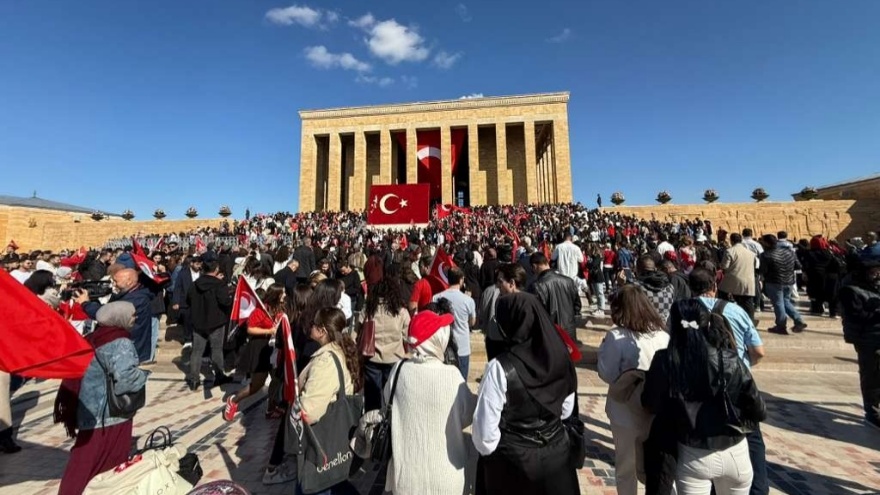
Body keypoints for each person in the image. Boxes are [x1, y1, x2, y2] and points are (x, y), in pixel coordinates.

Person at [642, 299, 767, 495]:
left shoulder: (665, 360)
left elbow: (650, 403)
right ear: (707, 323)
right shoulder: (730, 359)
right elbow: (758, 409)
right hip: (734, 449)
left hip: (693, 452)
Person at [473, 292, 579, 494]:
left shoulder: (500, 368)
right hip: (556, 454)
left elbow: (485, 437)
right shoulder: (560, 357)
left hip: (514, 462)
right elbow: (566, 411)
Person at [688, 267, 768, 495]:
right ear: (714, 286)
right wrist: (742, 367)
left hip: (699, 388)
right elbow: (759, 351)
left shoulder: (683, 312)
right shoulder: (736, 310)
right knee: (751, 441)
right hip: (737, 386)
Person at [55, 302, 148, 495]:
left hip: (89, 408)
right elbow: (126, 380)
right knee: (101, 463)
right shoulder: (120, 341)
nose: (135, 318)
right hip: (109, 414)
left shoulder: (95, 337)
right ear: (119, 318)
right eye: (132, 315)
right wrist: (144, 374)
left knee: (86, 462)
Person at [383, 310, 476, 495]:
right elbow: (467, 416)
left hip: (406, 478)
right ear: (436, 340)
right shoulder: (452, 376)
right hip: (447, 477)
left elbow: (386, 405)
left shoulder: (398, 370)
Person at [597, 285, 669, 495]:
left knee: (626, 467)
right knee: (657, 465)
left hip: (625, 409)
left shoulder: (616, 337)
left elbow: (607, 373)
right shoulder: (662, 336)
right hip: (656, 409)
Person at [296, 307, 361, 495]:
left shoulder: (325, 361)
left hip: (323, 443)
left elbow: (310, 411)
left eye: (313, 325)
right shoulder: (342, 349)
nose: (311, 328)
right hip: (338, 441)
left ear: (323, 330)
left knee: (314, 486)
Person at [223, 284, 287, 421]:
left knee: (276, 380)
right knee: (257, 384)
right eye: (283, 293)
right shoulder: (261, 310)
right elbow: (250, 329)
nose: (285, 295)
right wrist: (269, 331)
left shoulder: (283, 308)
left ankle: (271, 408)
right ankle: (234, 400)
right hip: (260, 349)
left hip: (275, 349)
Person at [79, 266, 154, 363]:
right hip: (127, 347)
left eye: (116, 281)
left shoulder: (136, 299)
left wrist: (85, 303)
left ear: (129, 282)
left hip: (130, 349)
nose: (114, 285)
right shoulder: (129, 294)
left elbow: (104, 315)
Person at [839, 258, 880, 429]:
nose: (877, 274)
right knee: (871, 375)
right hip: (867, 338)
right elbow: (855, 316)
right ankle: (872, 412)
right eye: (874, 271)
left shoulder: (875, 288)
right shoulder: (850, 290)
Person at [360, 275, 410, 412]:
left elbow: (358, 331)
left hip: (372, 357)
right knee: (392, 397)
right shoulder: (401, 311)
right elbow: (407, 337)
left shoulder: (368, 310)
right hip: (394, 358)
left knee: (372, 397)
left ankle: (371, 424)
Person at [186, 258, 234, 391]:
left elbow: (188, 299)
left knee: (197, 351)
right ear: (216, 269)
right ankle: (219, 375)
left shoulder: (195, 284)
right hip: (216, 322)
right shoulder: (219, 284)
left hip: (198, 321)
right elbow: (225, 302)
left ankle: (194, 379)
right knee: (217, 349)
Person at [433, 267, 477, 379]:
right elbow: (472, 322)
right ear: (461, 280)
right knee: (461, 383)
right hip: (462, 346)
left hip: (443, 346)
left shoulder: (437, 297)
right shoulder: (468, 300)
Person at [759, 234, 807, 334]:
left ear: (767, 243)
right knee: (786, 302)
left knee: (778, 303)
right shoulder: (790, 252)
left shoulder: (765, 255)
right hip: (789, 281)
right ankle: (799, 320)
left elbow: (763, 270)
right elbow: (798, 266)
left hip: (774, 282)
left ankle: (781, 326)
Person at [530, 252, 581, 342]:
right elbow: (577, 305)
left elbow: (535, 313)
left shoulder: (537, 286)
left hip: (550, 333)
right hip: (569, 331)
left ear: (534, 266)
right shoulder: (568, 281)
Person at [718, 233, 758, 323]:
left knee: (723, 296)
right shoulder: (751, 253)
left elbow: (724, 266)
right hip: (748, 281)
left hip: (733, 281)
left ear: (732, 241)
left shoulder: (730, 251)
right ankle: (750, 321)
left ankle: (725, 317)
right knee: (748, 303)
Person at [803, 236, 843, 318]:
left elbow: (805, 265)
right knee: (832, 295)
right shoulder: (828, 252)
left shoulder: (809, 253)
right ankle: (833, 312)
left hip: (814, 276)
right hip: (829, 277)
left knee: (816, 294)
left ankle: (817, 310)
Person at [172, 254, 202, 350]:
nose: (199, 266)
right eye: (197, 264)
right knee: (187, 320)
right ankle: (188, 339)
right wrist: (176, 301)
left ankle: (197, 339)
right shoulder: (183, 273)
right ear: (191, 264)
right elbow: (178, 287)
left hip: (199, 301)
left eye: (200, 264)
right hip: (185, 301)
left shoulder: (203, 272)